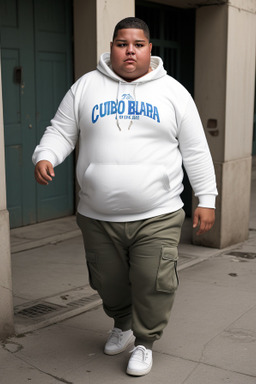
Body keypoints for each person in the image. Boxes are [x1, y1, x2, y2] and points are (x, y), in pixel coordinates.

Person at [33, 17, 217, 376]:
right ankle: (122, 324)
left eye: (138, 44)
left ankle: (145, 343)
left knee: (153, 281)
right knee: (108, 281)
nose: (129, 50)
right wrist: (45, 154)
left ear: (150, 49)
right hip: (98, 215)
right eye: (122, 43)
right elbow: (61, 130)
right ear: (112, 48)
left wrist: (206, 198)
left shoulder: (174, 92)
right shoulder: (86, 86)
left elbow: (195, 150)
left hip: (158, 213)